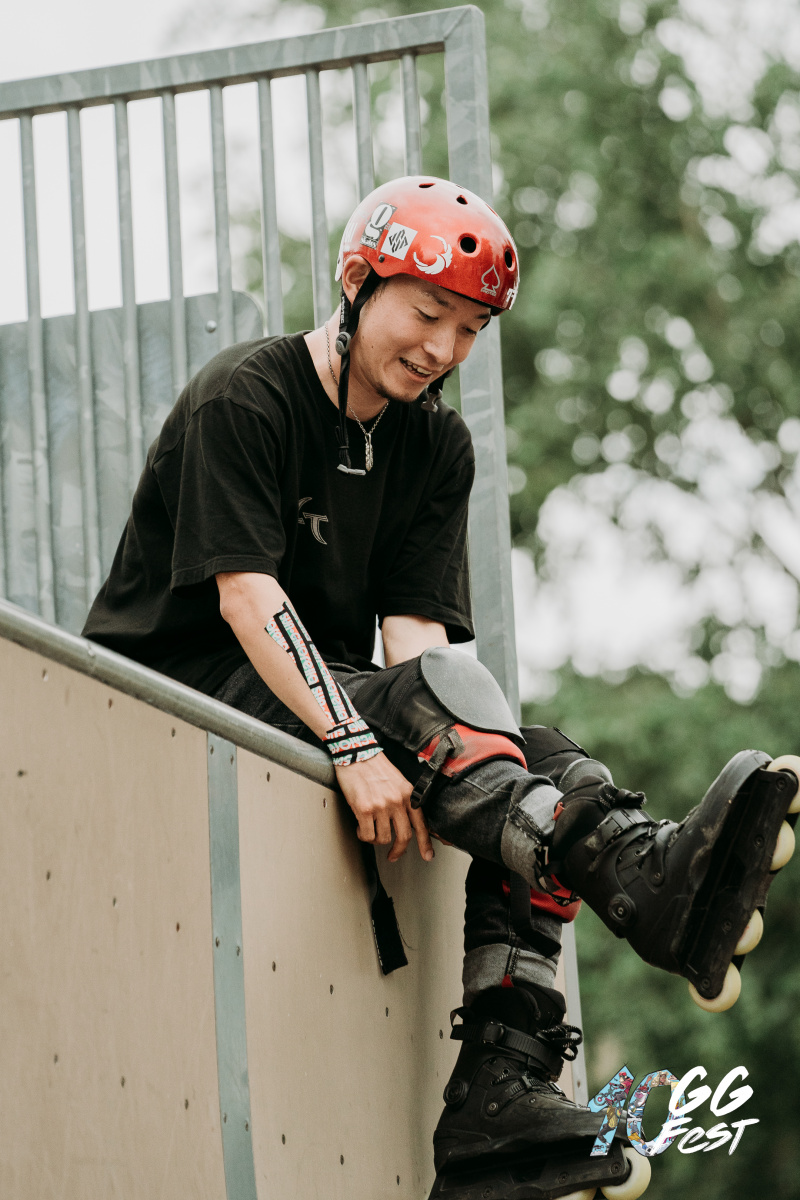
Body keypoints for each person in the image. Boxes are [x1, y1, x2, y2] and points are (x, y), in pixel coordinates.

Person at [82, 176, 797, 1200]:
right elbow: (247, 597)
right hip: (180, 693)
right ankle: (641, 884)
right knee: (478, 747)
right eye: (425, 314)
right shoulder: (245, 393)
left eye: (467, 330)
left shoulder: (435, 443)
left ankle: (499, 1088)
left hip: (323, 689)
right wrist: (353, 742)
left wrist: (456, 755)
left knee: (534, 754)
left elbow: (422, 656)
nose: (442, 349)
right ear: (355, 282)